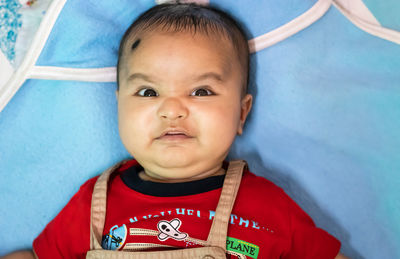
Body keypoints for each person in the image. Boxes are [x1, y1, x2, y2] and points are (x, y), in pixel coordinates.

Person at [4, 3, 350, 259]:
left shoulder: (270, 206)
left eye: (201, 91)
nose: (172, 109)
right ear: (118, 106)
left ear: (242, 113)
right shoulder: (96, 203)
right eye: (148, 92)